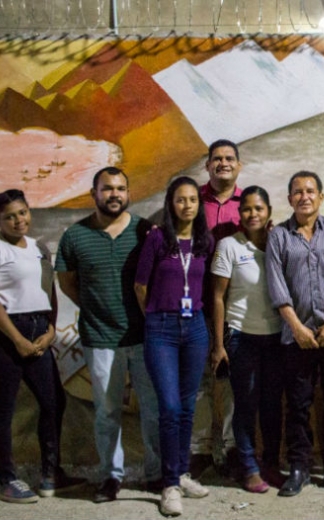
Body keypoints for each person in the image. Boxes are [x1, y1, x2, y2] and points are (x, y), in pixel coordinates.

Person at [55, 167, 159, 502]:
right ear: (93, 193)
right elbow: (67, 282)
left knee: (152, 408)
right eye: (107, 188)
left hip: (144, 337)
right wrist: (95, 308)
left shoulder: (145, 231)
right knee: (107, 411)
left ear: (128, 193)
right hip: (99, 339)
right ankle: (110, 477)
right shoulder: (75, 236)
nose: (114, 194)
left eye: (120, 188)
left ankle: (156, 474)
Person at [266, 171, 324, 496]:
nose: (304, 196)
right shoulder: (279, 236)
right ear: (289, 198)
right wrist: (296, 327)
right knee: (297, 404)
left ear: (321, 196)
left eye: (310, 191)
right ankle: (298, 467)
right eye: (297, 192)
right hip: (296, 337)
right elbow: (277, 287)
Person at [134, 176, 214, 516]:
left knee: (186, 407)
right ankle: (168, 485)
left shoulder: (203, 242)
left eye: (193, 200)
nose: (187, 206)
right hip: (161, 328)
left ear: (199, 205)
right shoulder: (156, 240)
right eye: (180, 200)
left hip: (195, 327)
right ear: (171, 204)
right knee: (168, 408)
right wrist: (156, 317)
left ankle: (182, 473)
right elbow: (140, 286)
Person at [0, 189, 83, 504]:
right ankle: (6, 479)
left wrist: (50, 330)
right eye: (9, 216)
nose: (18, 220)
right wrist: (17, 340)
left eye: (22, 212)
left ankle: (51, 473)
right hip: (8, 334)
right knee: (4, 411)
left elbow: (49, 290)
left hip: (39, 329)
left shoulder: (39, 248)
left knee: (53, 403)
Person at [208, 186, 282, 494]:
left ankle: (272, 463)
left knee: (272, 405)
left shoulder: (280, 243)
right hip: (242, 337)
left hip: (277, 336)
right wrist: (219, 344)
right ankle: (249, 466)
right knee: (246, 403)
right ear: (240, 214)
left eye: (259, 209)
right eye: (247, 209)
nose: (253, 214)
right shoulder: (229, 246)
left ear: (269, 213)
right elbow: (217, 297)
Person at [191, 139, 242, 476]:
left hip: (237, 305)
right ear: (208, 165)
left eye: (229, 158)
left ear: (239, 165)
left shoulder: (249, 202)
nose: (223, 163)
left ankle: (234, 447)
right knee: (200, 381)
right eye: (217, 159)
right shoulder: (193, 200)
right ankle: (199, 450)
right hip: (196, 303)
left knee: (235, 379)